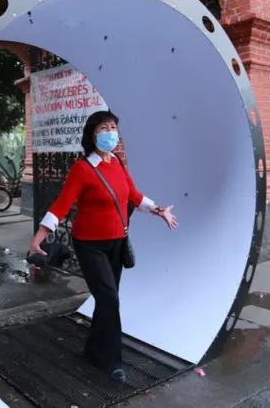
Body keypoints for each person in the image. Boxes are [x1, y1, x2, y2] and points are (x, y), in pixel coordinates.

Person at [28, 110, 178, 382]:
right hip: (90, 246)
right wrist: (40, 236)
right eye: (103, 128)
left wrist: (158, 211)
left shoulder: (118, 163)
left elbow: (132, 194)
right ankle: (110, 360)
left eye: (113, 127)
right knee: (110, 298)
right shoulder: (82, 168)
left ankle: (93, 349)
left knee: (105, 300)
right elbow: (62, 205)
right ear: (92, 135)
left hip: (116, 243)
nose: (110, 132)